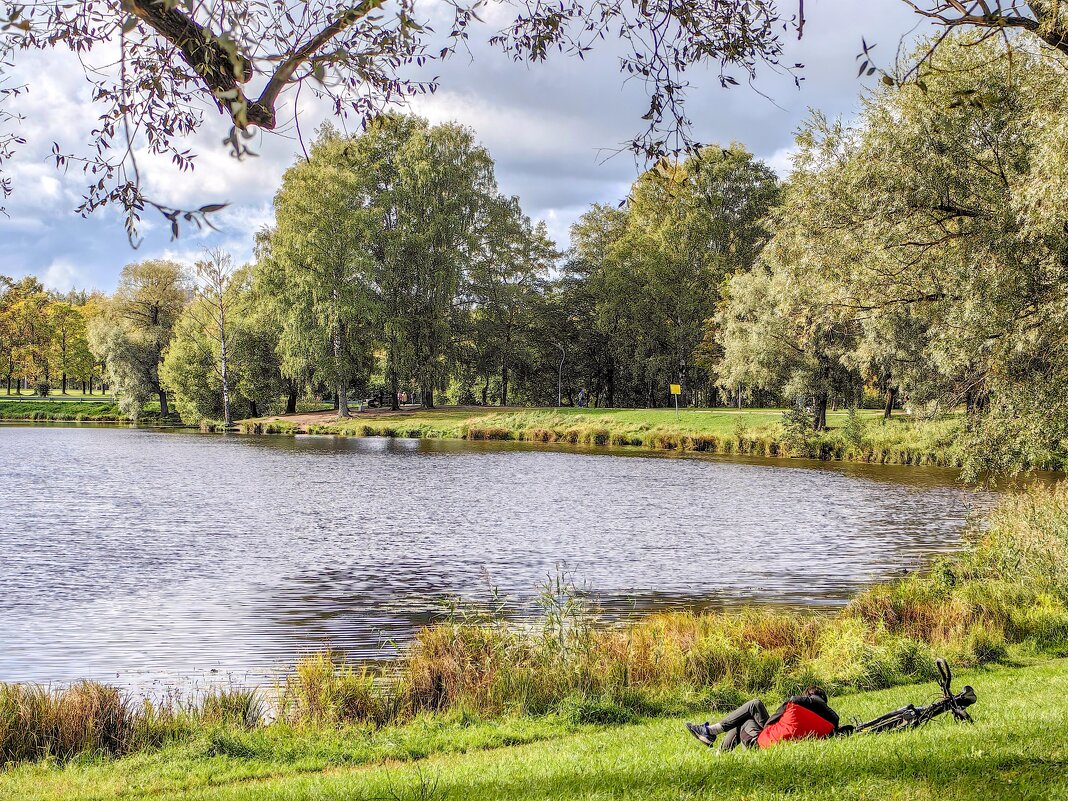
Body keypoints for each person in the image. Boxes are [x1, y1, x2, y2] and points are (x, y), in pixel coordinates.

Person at [686, 686, 839, 751]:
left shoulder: (804, 703)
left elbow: (788, 704)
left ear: (809, 695)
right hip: (783, 737)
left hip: (769, 739)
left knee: (753, 706)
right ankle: (713, 739)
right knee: (747, 715)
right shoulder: (831, 721)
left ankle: (711, 733)